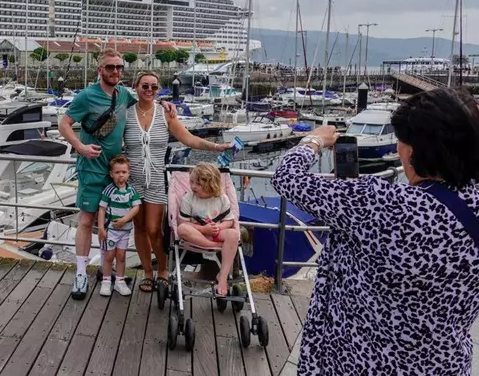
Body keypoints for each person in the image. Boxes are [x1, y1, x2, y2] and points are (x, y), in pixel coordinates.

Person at [271, 87, 479, 375]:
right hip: (443, 364)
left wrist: (314, 140)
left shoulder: (380, 203)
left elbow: (287, 177)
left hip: (362, 360)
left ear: (413, 150)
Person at [59, 49, 175, 300]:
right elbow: (64, 123)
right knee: (87, 221)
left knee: (113, 221)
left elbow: (146, 101)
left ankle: (107, 270)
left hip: (116, 171)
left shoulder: (123, 94)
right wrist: (79, 146)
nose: (115, 71)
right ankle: (80, 274)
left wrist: (165, 103)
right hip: (92, 168)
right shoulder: (86, 96)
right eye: (110, 67)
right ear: (99, 70)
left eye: (119, 67)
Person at [124, 71, 232, 293]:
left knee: (154, 229)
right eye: (145, 86)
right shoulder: (126, 114)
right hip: (132, 181)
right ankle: (147, 273)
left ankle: (163, 270)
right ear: (136, 87)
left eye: (154, 87)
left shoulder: (165, 114)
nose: (149, 90)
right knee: (139, 229)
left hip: (156, 180)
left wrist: (216, 147)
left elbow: (188, 138)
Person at [175, 163, 240, 296]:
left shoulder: (222, 198)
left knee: (234, 234)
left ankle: (223, 276)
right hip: (197, 233)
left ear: (211, 185)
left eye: (198, 184)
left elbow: (229, 220)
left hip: (217, 232)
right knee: (182, 228)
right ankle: (213, 245)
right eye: (192, 182)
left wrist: (219, 227)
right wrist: (204, 229)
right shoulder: (188, 198)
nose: (193, 186)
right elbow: (183, 222)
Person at [97, 155, 141, 297]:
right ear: (111, 174)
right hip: (111, 230)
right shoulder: (109, 190)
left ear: (128, 173)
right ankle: (106, 281)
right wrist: (101, 228)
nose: (120, 175)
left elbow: (136, 207)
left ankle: (119, 281)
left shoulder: (131, 191)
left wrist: (125, 219)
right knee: (109, 256)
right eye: (117, 172)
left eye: (123, 172)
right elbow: (102, 209)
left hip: (125, 230)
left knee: (121, 256)